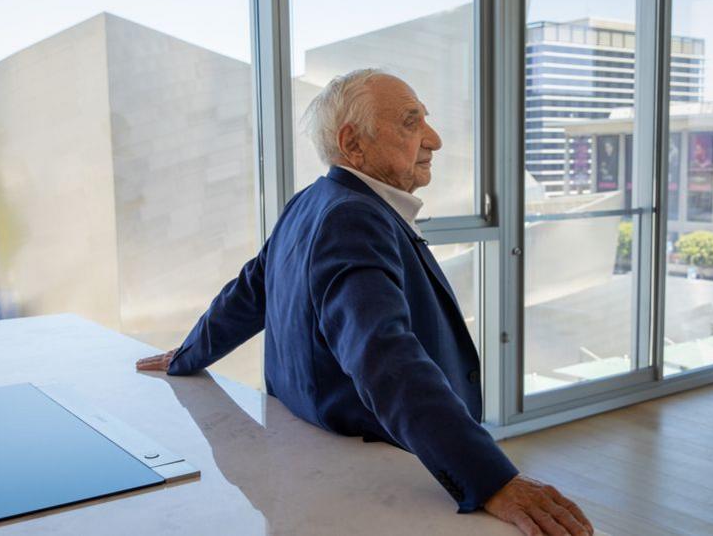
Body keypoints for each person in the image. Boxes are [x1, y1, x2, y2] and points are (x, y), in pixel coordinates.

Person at [137, 68, 593, 536]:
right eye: (411, 123)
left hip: (315, 461)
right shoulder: (354, 216)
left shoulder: (312, 201)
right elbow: (385, 358)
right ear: (353, 143)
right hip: (371, 472)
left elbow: (250, 290)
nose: (433, 139)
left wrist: (189, 354)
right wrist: (492, 479)